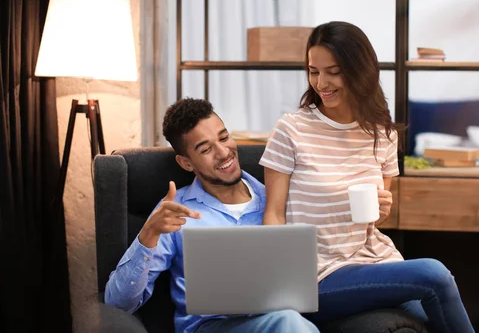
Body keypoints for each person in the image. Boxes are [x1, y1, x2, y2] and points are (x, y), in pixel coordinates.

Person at [260, 21, 476, 333]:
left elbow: (370, 222)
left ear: (358, 69)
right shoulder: (291, 129)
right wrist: (281, 282)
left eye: (333, 71)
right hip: (317, 275)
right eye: (313, 70)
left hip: (375, 262)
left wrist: (382, 212)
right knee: (434, 274)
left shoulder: (382, 134)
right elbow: (274, 213)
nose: (321, 82)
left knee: (435, 317)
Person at [104, 98, 319, 333]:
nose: (224, 152)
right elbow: (118, 303)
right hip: (209, 327)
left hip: (276, 320)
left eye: (224, 137)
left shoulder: (275, 199)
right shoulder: (174, 211)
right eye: (206, 149)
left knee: (287, 319)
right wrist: (149, 234)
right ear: (186, 163)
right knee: (287, 322)